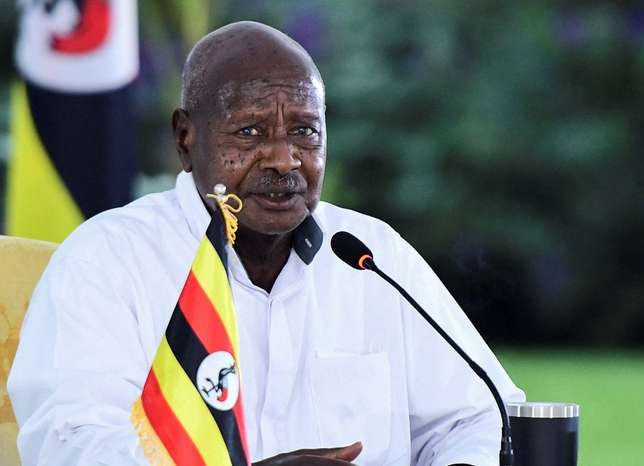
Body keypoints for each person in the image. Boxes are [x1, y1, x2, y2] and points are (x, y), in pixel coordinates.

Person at [8, 21, 524, 465]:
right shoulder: (109, 259)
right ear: (186, 139)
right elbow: (71, 442)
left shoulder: (372, 256)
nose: (284, 159)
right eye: (250, 132)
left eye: (305, 132)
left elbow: (484, 417)